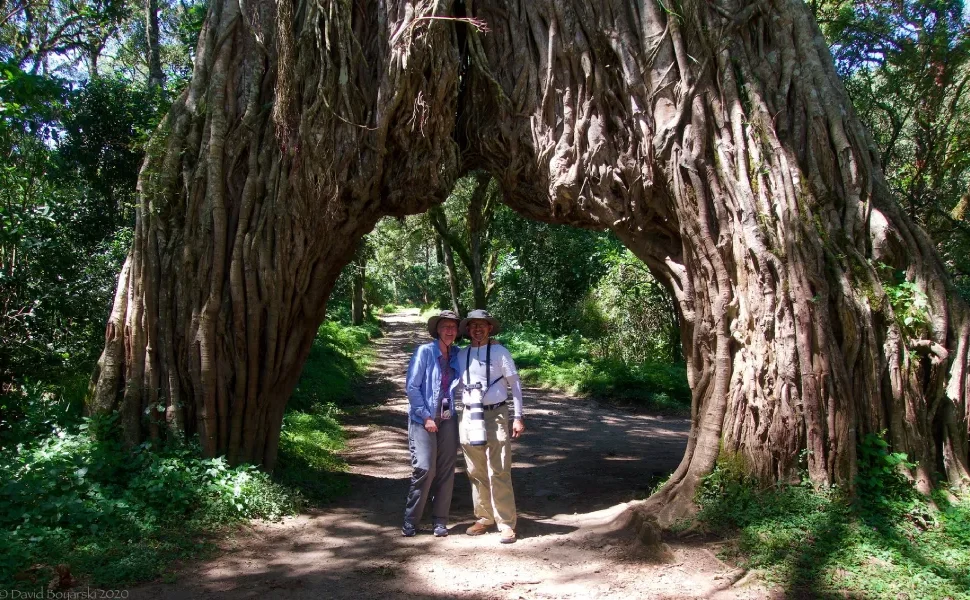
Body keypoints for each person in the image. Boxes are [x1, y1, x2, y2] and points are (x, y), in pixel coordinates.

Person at [456, 309, 525, 544]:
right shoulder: (460, 354)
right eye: (473, 325)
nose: (478, 329)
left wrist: (518, 416)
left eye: (482, 325)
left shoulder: (500, 351)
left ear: (490, 329)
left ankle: (506, 523)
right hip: (468, 415)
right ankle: (484, 517)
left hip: (496, 414)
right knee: (475, 469)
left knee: (500, 468)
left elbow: (515, 385)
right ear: (467, 330)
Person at [402, 309, 462, 538]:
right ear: (437, 329)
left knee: (447, 471)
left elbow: (477, 356)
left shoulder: (457, 353)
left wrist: (491, 343)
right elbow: (412, 387)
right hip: (422, 418)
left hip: (448, 417)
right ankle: (411, 520)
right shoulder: (424, 352)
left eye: (454, 327)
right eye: (446, 326)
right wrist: (426, 416)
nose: (450, 330)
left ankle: (440, 521)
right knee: (425, 469)